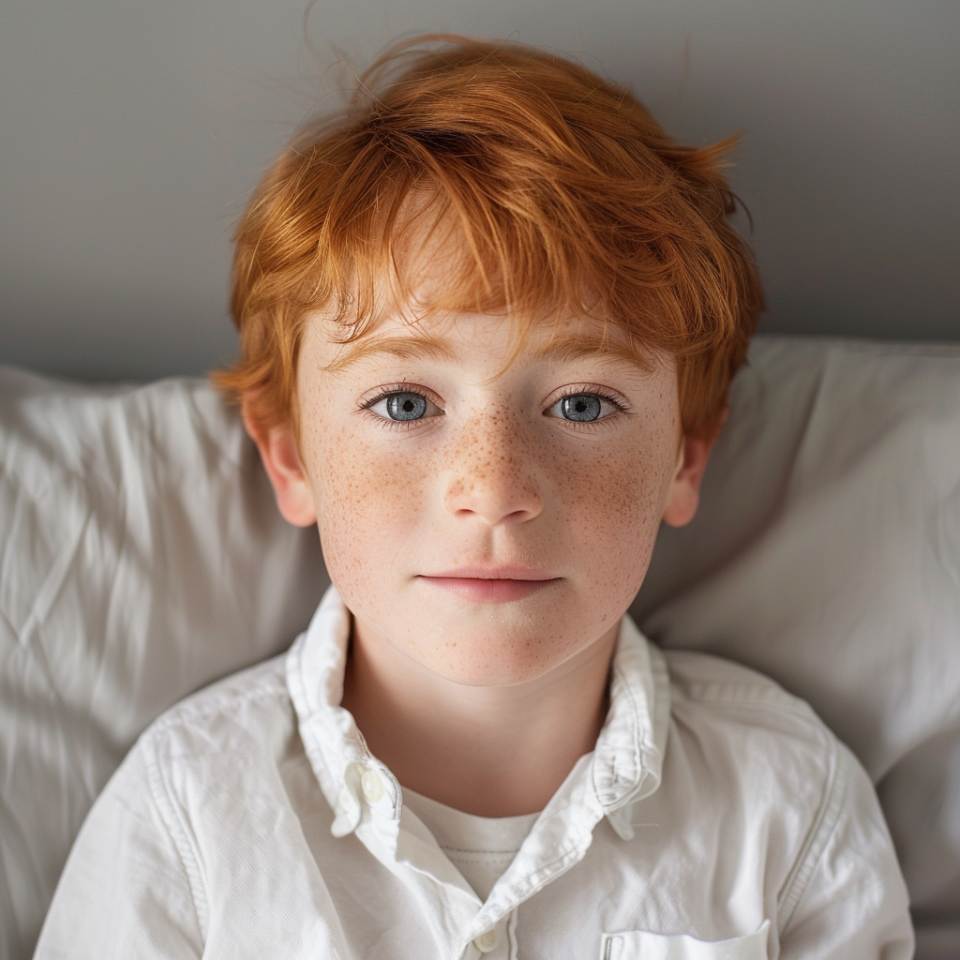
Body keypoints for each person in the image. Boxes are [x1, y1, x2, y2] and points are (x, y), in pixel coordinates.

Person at [34, 34, 913, 959]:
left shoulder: (789, 805)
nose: (493, 492)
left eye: (581, 403)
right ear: (289, 456)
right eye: (405, 402)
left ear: (686, 459)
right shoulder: (189, 816)